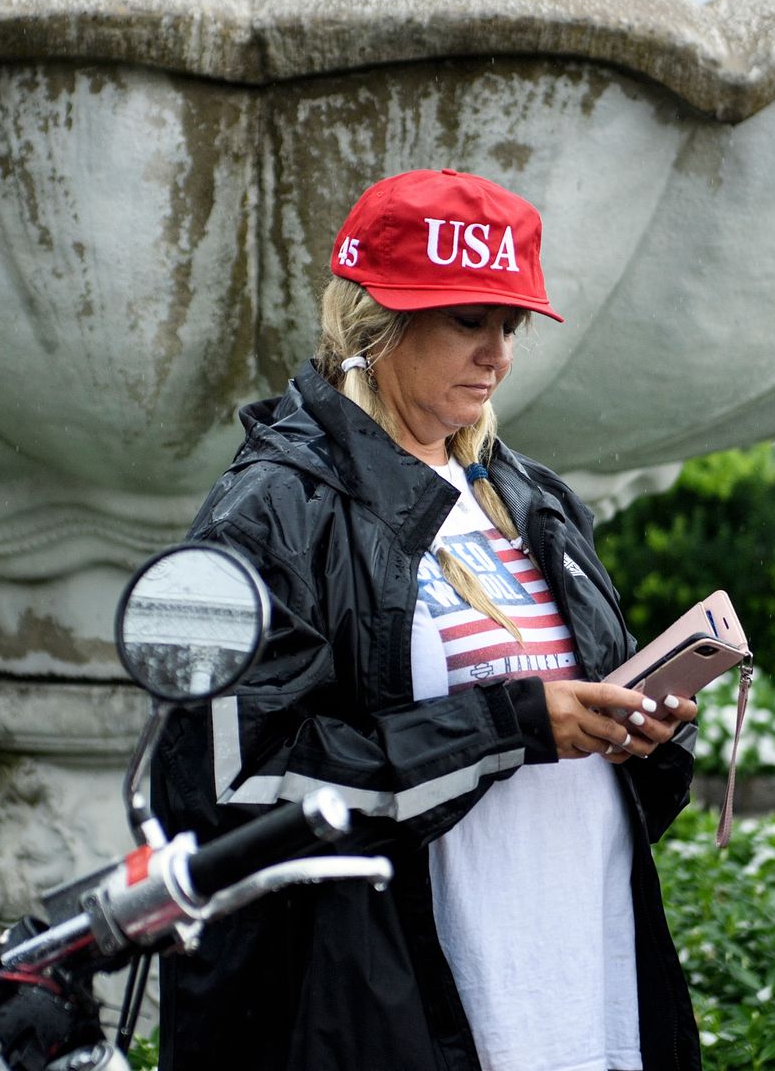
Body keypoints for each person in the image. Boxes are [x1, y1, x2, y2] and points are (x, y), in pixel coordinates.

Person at [153, 169, 704, 1070]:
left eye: (509, 324)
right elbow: (228, 784)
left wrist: (641, 726)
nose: (499, 354)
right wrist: (511, 726)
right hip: (409, 999)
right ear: (375, 324)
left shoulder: (531, 497)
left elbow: (577, 739)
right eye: (467, 320)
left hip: (582, 967)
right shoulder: (272, 508)